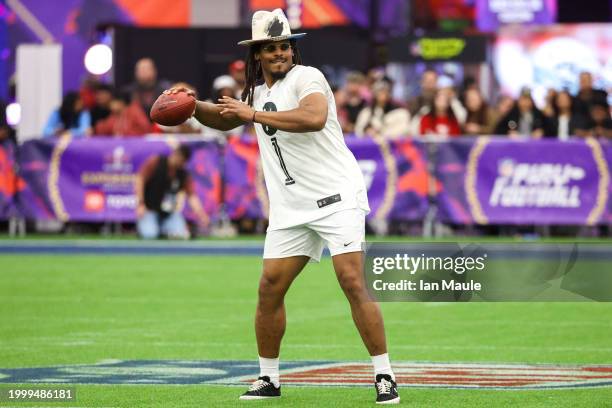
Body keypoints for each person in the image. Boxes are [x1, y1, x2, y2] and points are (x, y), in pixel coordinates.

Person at [164, 8, 399, 404]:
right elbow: (225, 119)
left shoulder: (309, 78)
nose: (280, 53)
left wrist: (250, 113)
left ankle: (384, 375)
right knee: (269, 289)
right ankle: (269, 378)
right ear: (257, 54)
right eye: (271, 47)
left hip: (335, 197)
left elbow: (313, 117)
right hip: (292, 208)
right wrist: (191, 105)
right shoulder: (257, 92)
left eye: (285, 45)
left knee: (351, 281)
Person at [134, 145, 209, 239]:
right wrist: (140, 204)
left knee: (181, 235)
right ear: (176, 155)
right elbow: (140, 179)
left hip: (169, 214)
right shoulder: (156, 162)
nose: (182, 164)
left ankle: (164, 231)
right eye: (181, 161)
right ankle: (151, 229)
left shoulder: (183, 173)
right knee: (149, 235)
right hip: (150, 210)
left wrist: (201, 214)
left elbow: (192, 196)